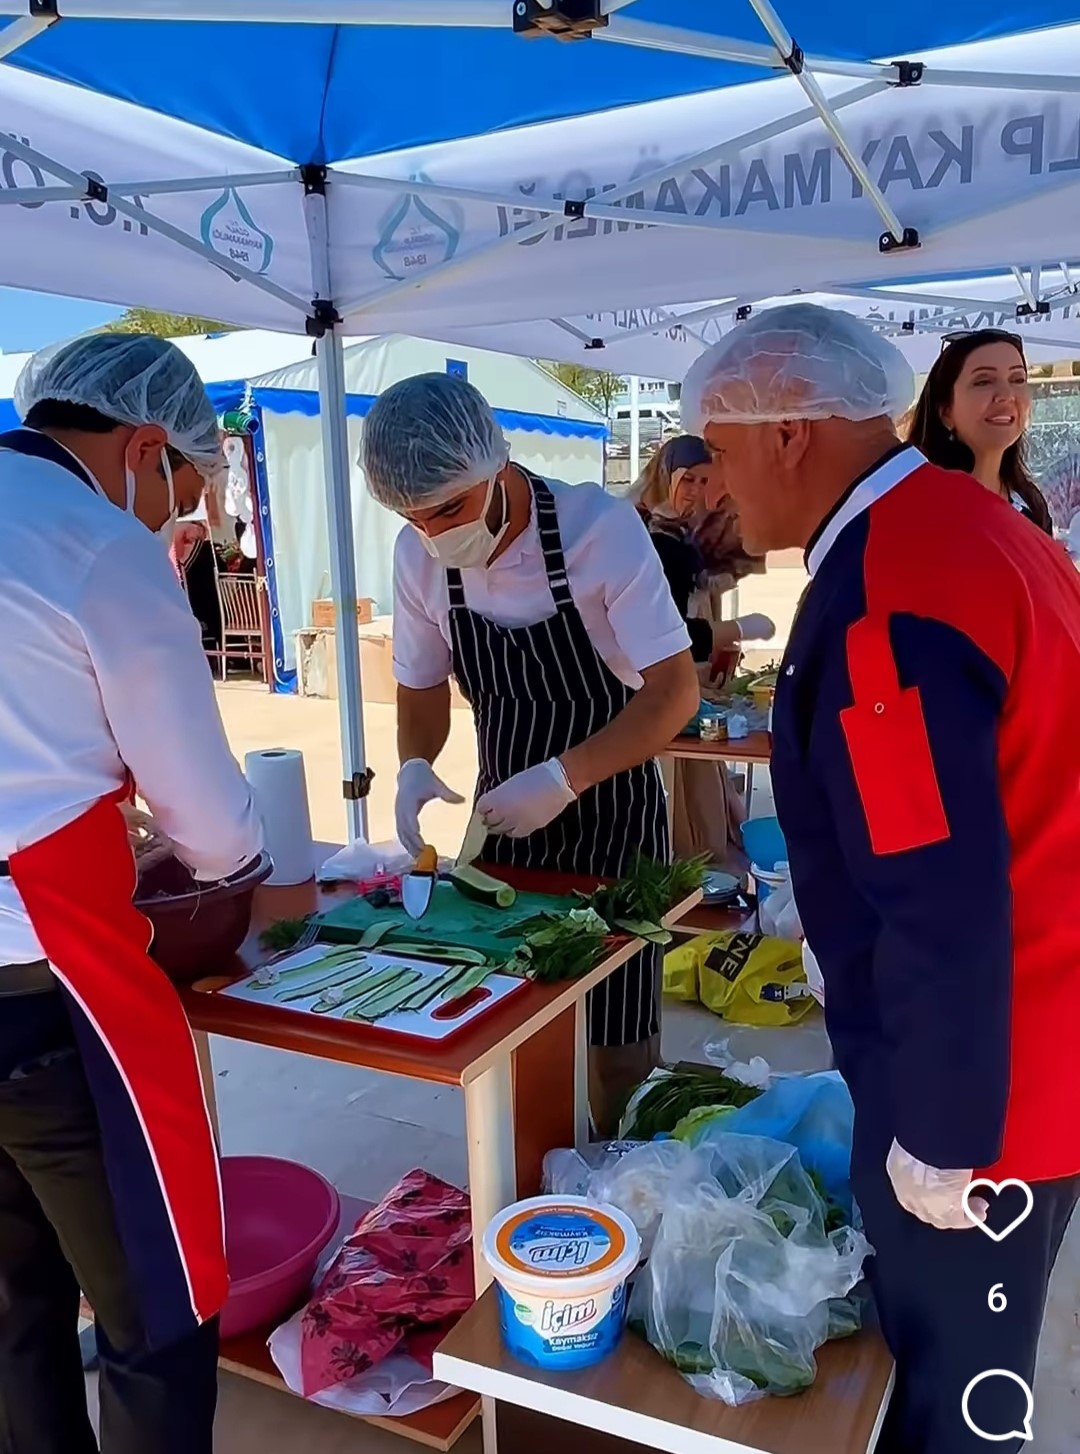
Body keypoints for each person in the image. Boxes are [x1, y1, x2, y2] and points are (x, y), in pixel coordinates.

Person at [681, 303, 1080, 1454]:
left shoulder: (890, 588)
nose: (713, 485)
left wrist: (943, 1132)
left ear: (791, 433)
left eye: (719, 449)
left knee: (961, 1403)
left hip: (994, 1090)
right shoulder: (973, 523)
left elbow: (938, 888)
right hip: (1029, 1033)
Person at [0, 333, 263, 1454]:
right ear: (146, 446)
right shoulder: (99, 546)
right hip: (43, 994)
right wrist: (211, 859)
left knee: (13, 1302)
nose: (171, 520)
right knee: (151, 1306)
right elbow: (214, 827)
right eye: (178, 493)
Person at [362, 373, 699, 1135]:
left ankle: (626, 1180)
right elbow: (421, 684)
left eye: (448, 509)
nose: (433, 533)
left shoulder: (598, 530)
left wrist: (564, 776)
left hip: (614, 818)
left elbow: (673, 694)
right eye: (412, 517)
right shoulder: (419, 558)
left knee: (618, 1039)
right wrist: (415, 764)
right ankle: (539, 1189)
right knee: (517, 1032)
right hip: (505, 825)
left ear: (496, 464)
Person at [632, 435, 775, 867]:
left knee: (702, 788)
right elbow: (663, 632)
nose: (697, 491)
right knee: (677, 801)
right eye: (688, 479)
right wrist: (736, 628)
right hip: (649, 688)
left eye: (704, 481)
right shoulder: (641, 535)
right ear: (665, 476)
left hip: (687, 679)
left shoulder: (682, 531)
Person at [907, 328, 1053, 533]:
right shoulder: (918, 506)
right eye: (983, 381)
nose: (1006, 395)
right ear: (945, 411)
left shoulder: (1030, 502)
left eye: (1017, 379)